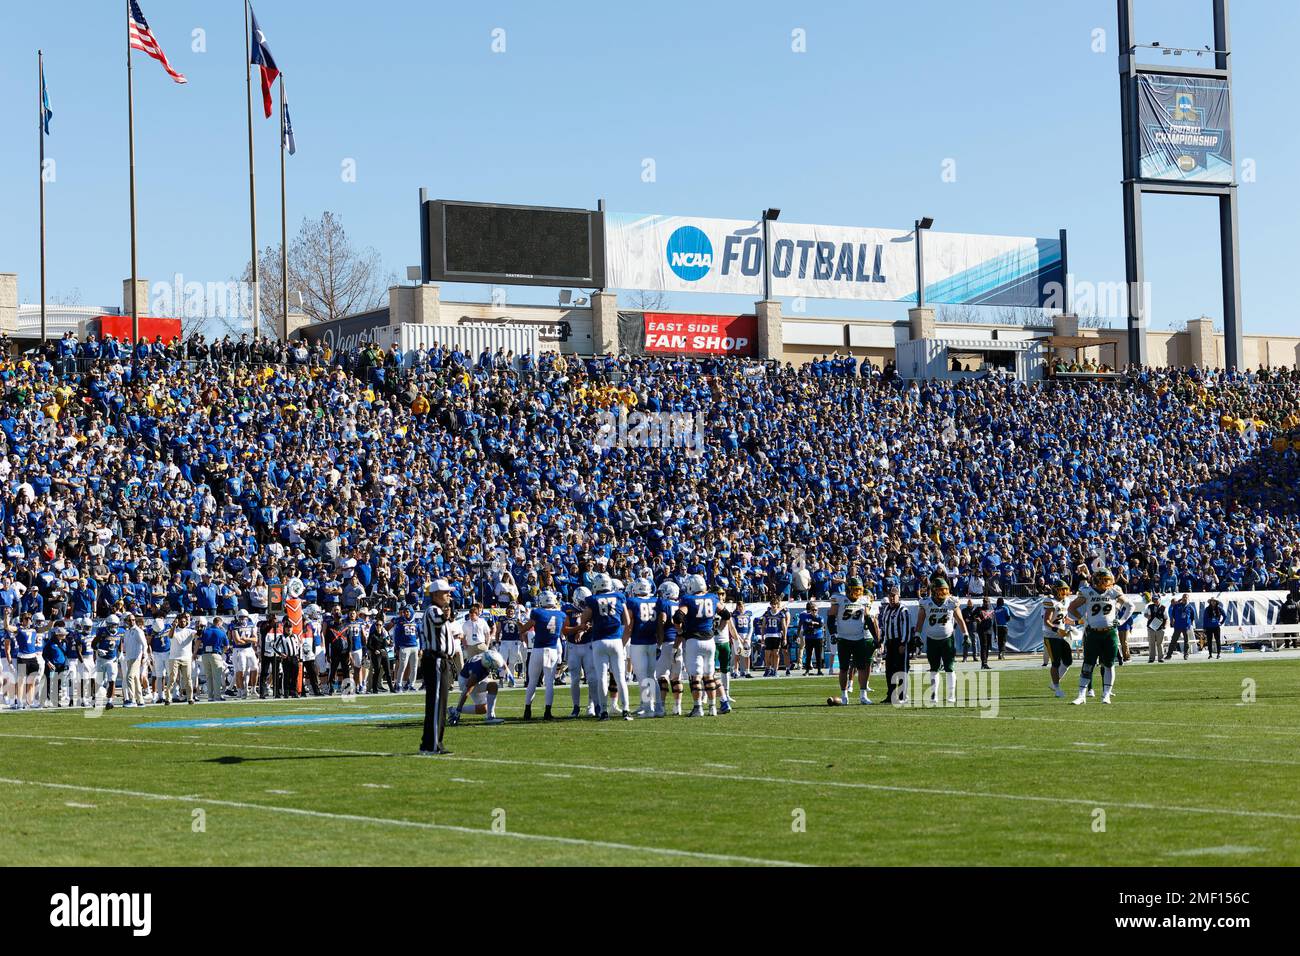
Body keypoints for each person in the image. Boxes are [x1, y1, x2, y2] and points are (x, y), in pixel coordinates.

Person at [1065, 568, 1130, 705]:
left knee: (1109, 664)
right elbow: (1071, 607)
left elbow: (1130, 605)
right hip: (1093, 633)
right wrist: (1081, 619)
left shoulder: (1113, 591)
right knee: (1088, 664)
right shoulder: (1087, 592)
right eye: (1104, 579)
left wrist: (1122, 620)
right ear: (1097, 579)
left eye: (1107, 579)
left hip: (1109, 632)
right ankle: (1081, 695)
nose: (1106, 582)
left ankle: (1106, 695)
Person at [583, 572, 632, 720]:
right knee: (620, 678)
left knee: (602, 678)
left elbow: (583, 619)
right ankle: (626, 710)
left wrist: (590, 623)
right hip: (616, 641)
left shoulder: (592, 599)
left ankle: (604, 712)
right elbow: (627, 623)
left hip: (599, 641)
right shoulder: (619, 597)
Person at [675, 574, 725, 717]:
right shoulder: (712, 597)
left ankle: (698, 708)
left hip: (694, 641)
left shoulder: (688, 599)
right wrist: (718, 630)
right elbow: (726, 614)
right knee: (709, 676)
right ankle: (713, 708)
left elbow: (678, 617)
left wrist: (680, 631)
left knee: (696, 677)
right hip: (710, 641)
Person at [418, 579, 457, 755]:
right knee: (436, 704)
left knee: (438, 703)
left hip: (442, 661)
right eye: (445, 592)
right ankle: (433, 745)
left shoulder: (438, 610)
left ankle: (430, 743)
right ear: (435, 595)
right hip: (436, 660)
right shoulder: (433, 610)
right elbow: (438, 621)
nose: (449, 595)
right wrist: (446, 614)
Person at [916, 576, 968, 705]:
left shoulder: (951, 601)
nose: (944, 593)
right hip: (932, 639)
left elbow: (960, 619)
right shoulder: (926, 602)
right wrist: (917, 635)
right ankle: (934, 696)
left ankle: (951, 696)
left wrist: (966, 634)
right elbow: (920, 620)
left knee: (950, 667)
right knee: (934, 668)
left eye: (945, 590)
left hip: (947, 639)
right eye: (941, 590)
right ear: (934, 590)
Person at [829, 577, 879, 705]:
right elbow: (830, 617)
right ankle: (844, 695)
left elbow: (868, 619)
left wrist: (875, 637)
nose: (857, 593)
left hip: (859, 638)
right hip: (843, 639)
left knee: (862, 667)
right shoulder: (838, 599)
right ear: (848, 589)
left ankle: (863, 695)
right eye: (855, 590)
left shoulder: (864, 600)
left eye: (859, 590)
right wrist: (833, 633)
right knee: (844, 668)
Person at [521, 589, 566, 720]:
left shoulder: (537, 612)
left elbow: (524, 629)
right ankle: (547, 712)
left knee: (532, 682)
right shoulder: (561, 614)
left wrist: (519, 623)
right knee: (549, 683)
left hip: (538, 650)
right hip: (552, 650)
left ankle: (527, 710)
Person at [623, 579, 661, 717]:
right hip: (652, 641)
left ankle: (648, 708)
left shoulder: (633, 602)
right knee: (652, 676)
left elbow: (629, 625)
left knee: (642, 677)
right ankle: (658, 708)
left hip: (639, 642)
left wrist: (622, 643)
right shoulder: (656, 600)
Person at [448, 648, 507, 725]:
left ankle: (452, 710)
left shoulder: (488, 655)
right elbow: (466, 691)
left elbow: (501, 661)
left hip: (473, 677)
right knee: (493, 686)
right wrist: (459, 710)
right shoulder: (477, 671)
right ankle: (490, 717)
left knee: (483, 709)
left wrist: (507, 673)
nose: (494, 669)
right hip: (465, 681)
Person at [653, 581, 684, 717]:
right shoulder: (680, 605)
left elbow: (663, 620)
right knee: (676, 677)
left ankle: (661, 707)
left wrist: (658, 643)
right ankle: (678, 707)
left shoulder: (663, 604)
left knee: (662, 676)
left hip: (666, 642)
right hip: (679, 642)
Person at [878, 586, 911, 705]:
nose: (892, 598)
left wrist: (903, 643)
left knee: (902, 670)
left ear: (898, 596)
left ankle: (903, 696)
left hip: (899, 642)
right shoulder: (886, 609)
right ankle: (890, 696)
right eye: (890, 596)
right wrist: (882, 642)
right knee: (889, 670)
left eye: (894, 596)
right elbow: (884, 627)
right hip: (890, 643)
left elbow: (907, 628)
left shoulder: (903, 610)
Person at [1043, 581, 1073, 698]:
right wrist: (1057, 630)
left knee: (1068, 661)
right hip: (1051, 635)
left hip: (1060, 635)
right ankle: (1057, 688)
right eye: (1062, 589)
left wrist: (1077, 622)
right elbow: (1047, 620)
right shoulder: (1050, 602)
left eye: (1065, 589)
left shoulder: (1065, 601)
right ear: (1056, 590)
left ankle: (1053, 683)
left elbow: (1064, 618)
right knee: (1055, 662)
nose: (1064, 592)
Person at [168, 613, 197, 705]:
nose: (182, 623)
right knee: (172, 679)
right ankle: (168, 698)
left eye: (184, 621)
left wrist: (199, 627)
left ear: (187, 622)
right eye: (181, 621)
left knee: (188, 679)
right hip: (174, 658)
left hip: (186, 658)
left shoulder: (190, 631)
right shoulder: (174, 630)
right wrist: (173, 626)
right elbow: (170, 636)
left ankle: (190, 698)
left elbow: (199, 635)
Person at [198, 616, 230, 702]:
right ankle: (217, 696)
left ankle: (210, 696)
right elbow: (227, 646)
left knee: (208, 677)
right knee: (217, 677)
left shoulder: (205, 631)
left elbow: (199, 641)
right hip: (216, 654)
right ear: (219, 623)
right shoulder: (221, 632)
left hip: (205, 655)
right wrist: (221, 652)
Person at [757, 596, 787, 678]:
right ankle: (768, 668)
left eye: (775, 604)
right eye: (772, 604)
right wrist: (762, 637)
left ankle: (775, 670)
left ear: (778, 605)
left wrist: (784, 638)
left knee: (776, 653)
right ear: (770, 605)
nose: (774, 606)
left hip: (777, 635)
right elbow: (763, 626)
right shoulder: (767, 613)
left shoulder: (781, 614)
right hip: (768, 636)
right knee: (767, 654)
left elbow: (784, 626)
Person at [797, 601, 825, 675]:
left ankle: (819, 670)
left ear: (817, 610)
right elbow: (806, 623)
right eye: (813, 610)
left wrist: (812, 624)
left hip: (818, 637)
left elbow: (820, 625)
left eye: (815, 610)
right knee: (808, 654)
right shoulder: (806, 616)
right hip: (809, 637)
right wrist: (813, 624)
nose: (814, 611)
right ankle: (807, 670)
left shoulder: (820, 617)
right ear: (810, 610)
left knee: (818, 654)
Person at [1168, 593, 1195, 660]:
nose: (1185, 598)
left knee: (1186, 641)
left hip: (1186, 626)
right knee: (1173, 641)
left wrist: (1189, 624)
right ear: (1182, 598)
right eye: (1183, 597)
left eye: (1186, 597)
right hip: (1177, 626)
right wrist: (1174, 622)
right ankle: (1169, 655)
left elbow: (1192, 617)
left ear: (1188, 599)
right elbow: (1173, 615)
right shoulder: (1177, 606)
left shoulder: (1190, 607)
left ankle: (1186, 654)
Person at [1145, 594, 1168, 663]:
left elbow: (1166, 618)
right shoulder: (1149, 606)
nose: (1155, 601)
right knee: (1151, 643)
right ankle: (1151, 658)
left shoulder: (1164, 607)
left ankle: (1161, 658)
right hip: (1151, 627)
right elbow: (1145, 614)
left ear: (1159, 599)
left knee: (1160, 643)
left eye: (1156, 599)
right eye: (1154, 599)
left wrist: (1165, 626)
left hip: (1160, 627)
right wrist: (1147, 616)